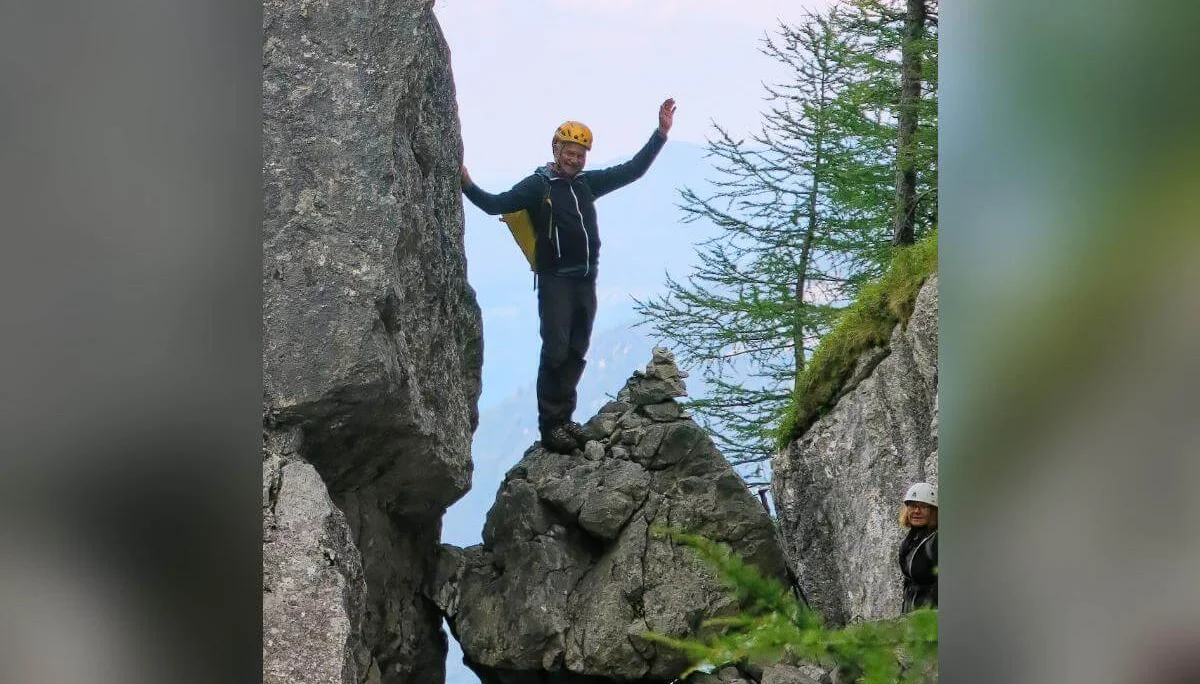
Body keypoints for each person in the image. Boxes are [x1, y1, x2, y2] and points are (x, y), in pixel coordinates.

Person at [460, 98, 677, 453]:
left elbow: (633, 170)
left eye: (580, 154)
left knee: (576, 350)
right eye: (569, 151)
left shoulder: (586, 184)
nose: (574, 159)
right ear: (556, 148)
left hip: (585, 280)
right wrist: (468, 184)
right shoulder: (538, 186)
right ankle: (550, 427)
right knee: (556, 350)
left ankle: (565, 419)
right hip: (555, 281)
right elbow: (495, 205)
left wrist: (661, 133)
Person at [898, 481, 938, 613]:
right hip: (913, 617)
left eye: (923, 506)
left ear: (934, 511)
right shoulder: (911, 539)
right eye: (912, 506)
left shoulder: (937, 540)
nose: (916, 511)